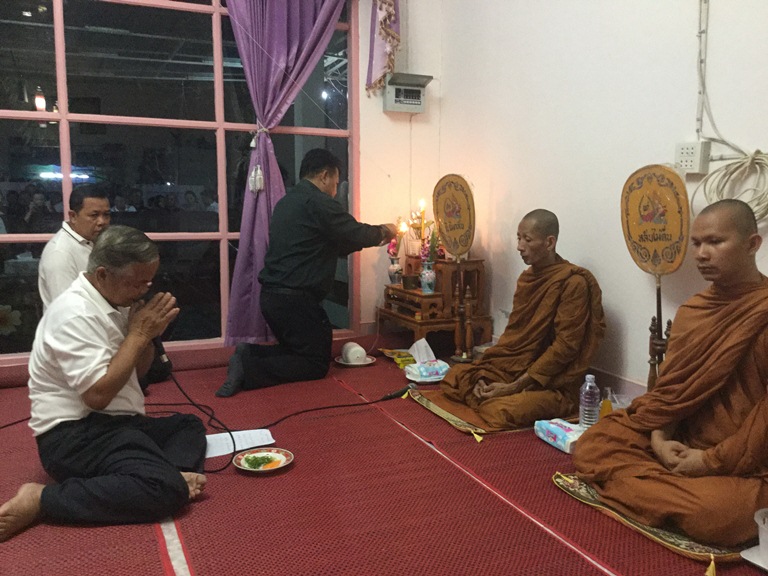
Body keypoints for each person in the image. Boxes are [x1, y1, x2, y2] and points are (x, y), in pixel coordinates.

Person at [573, 199, 768, 547]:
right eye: (696, 244)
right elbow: (670, 393)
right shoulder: (694, 310)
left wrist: (708, 461)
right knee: (593, 442)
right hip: (682, 442)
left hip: (746, 460)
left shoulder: (763, 310)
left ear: (753, 244)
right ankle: (671, 490)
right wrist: (661, 441)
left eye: (715, 242)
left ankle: (652, 491)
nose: (701, 254)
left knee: (716, 515)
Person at [0, 225, 207, 542]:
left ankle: (168, 473)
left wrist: (147, 336)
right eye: (135, 282)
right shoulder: (73, 314)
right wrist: (137, 334)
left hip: (116, 423)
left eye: (148, 282)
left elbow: (138, 373)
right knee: (165, 490)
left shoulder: (116, 301)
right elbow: (97, 396)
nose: (142, 290)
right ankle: (41, 499)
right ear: (102, 275)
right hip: (75, 436)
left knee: (188, 425)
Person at [216, 148, 397, 397]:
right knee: (314, 363)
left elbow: (336, 241)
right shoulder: (318, 202)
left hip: (273, 297)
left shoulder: (287, 202)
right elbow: (353, 233)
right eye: (335, 183)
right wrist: (386, 231)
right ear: (324, 176)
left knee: (298, 351)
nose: (335, 190)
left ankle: (250, 352)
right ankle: (248, 369)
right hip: (295, 300)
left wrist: (374, 239)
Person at [439, 209, 605, 428]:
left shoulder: (573, 283)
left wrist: (514, 387)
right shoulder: (527, 278)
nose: (519, 246)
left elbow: (566, 347)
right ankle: (489, 389)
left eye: (527, 239)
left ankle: (506, 396)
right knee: (455, 377)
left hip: (552, 383)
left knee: (499, 411)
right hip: (514, 368)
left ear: (549, 242)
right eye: (518, 238)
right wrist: (482, 376)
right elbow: (514, 339)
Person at [38, 187, 111, 309]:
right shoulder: (60, 253)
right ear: (73, 216)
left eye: (106, 215)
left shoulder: (97, 241)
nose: (102, 221)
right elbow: (67, 310)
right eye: (94, 215)